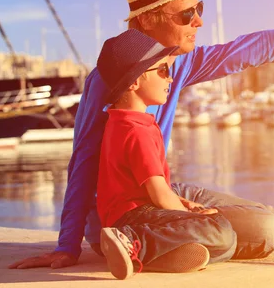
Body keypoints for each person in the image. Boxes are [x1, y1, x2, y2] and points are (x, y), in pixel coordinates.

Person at [8, 0, 274, 270]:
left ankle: (177, 247)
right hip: (121, 215)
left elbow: (251, 48)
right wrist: (67, 245)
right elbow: (84, 162)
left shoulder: (181, 65)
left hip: (162, 195)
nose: (198, 22)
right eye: (186, 14)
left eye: (199, 9)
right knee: (266, 231)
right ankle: (141, 245)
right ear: (147, 20)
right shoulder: (108, 82)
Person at [96, 29, 235, 280]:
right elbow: (159, 195)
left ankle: (142, 254)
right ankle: (133, 241)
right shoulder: (136, 130)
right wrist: (190, 216)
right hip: (135, 219)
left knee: (224, 243)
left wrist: (183, 204)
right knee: (221, 230)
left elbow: (157, 193)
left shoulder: (120, 122)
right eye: (162, 70)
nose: (169, 79)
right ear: (135, 81)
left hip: (130, 215)